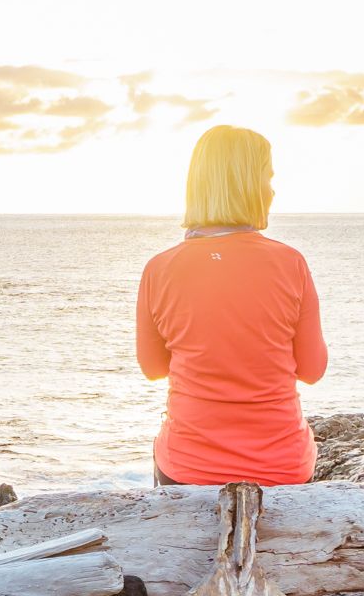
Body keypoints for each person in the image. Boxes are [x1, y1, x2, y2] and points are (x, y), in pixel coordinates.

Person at [137, 124, 327, 491]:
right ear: (248, 185)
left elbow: (153, 368)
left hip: (188, 468)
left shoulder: (159, 268)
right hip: (281, 468)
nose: (273, 189)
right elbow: (312, 369)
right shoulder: (290, 263)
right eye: (268, 177)